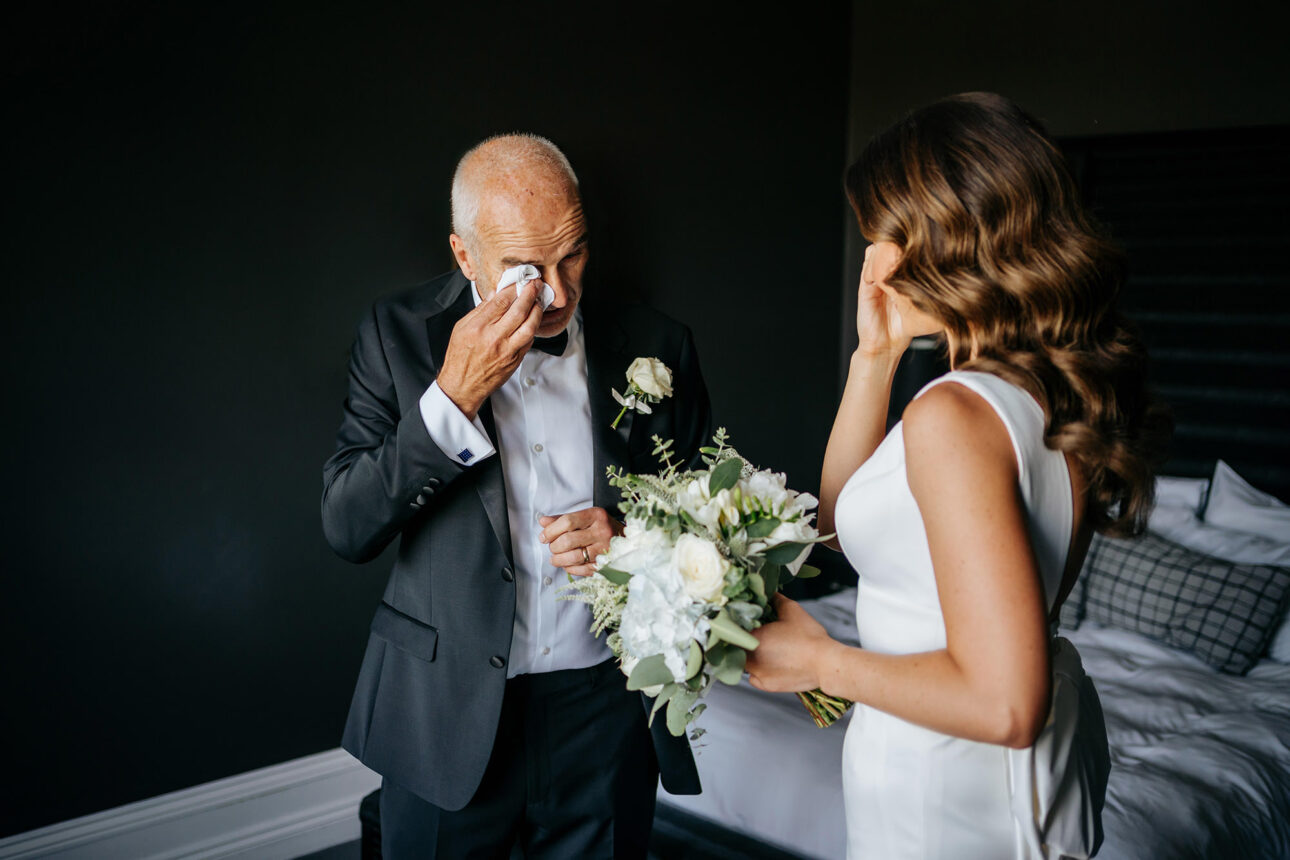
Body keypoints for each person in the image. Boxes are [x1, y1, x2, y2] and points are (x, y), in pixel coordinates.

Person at [745, 93, 1168, 859]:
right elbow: (845, 527)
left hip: (944, 791)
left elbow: (1006, 701)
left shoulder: (953, 415)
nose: (872, 256)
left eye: (881, 230)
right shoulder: (1042, 393)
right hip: (976, 782)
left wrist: (819, 663)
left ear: (941, 236)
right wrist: (873, 358)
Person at [321, 133, 711, 858]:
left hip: (608, 713)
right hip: (445, 711)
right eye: (527, 267)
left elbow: (705, 522)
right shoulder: (395, 335)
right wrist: (452, 399)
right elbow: (347, 525)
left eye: (574, 254)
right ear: (465, 256)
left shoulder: (659, 344)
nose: (558, 292)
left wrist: (630, 539)